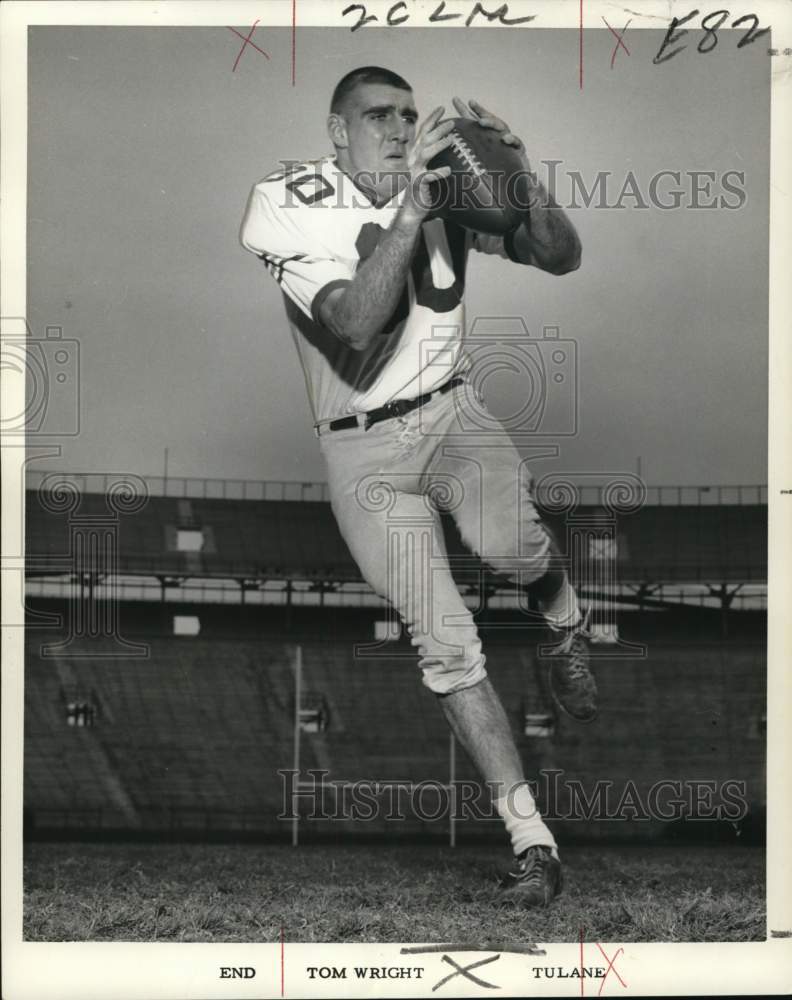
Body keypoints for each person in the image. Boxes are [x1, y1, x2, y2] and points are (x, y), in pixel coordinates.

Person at [240, 66, 594, 906]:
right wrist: (415, 211)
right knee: (445, 643)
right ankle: (533, 843)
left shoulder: (447, 180)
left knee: (514, 548)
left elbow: (561, 257)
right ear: (337, 134)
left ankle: (567, 620)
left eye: (407, 113)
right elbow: (355, 321)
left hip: (451, 415)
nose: (400, 130)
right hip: (362, 454)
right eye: (376, 117)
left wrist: (516, 170)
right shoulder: (286, 199)